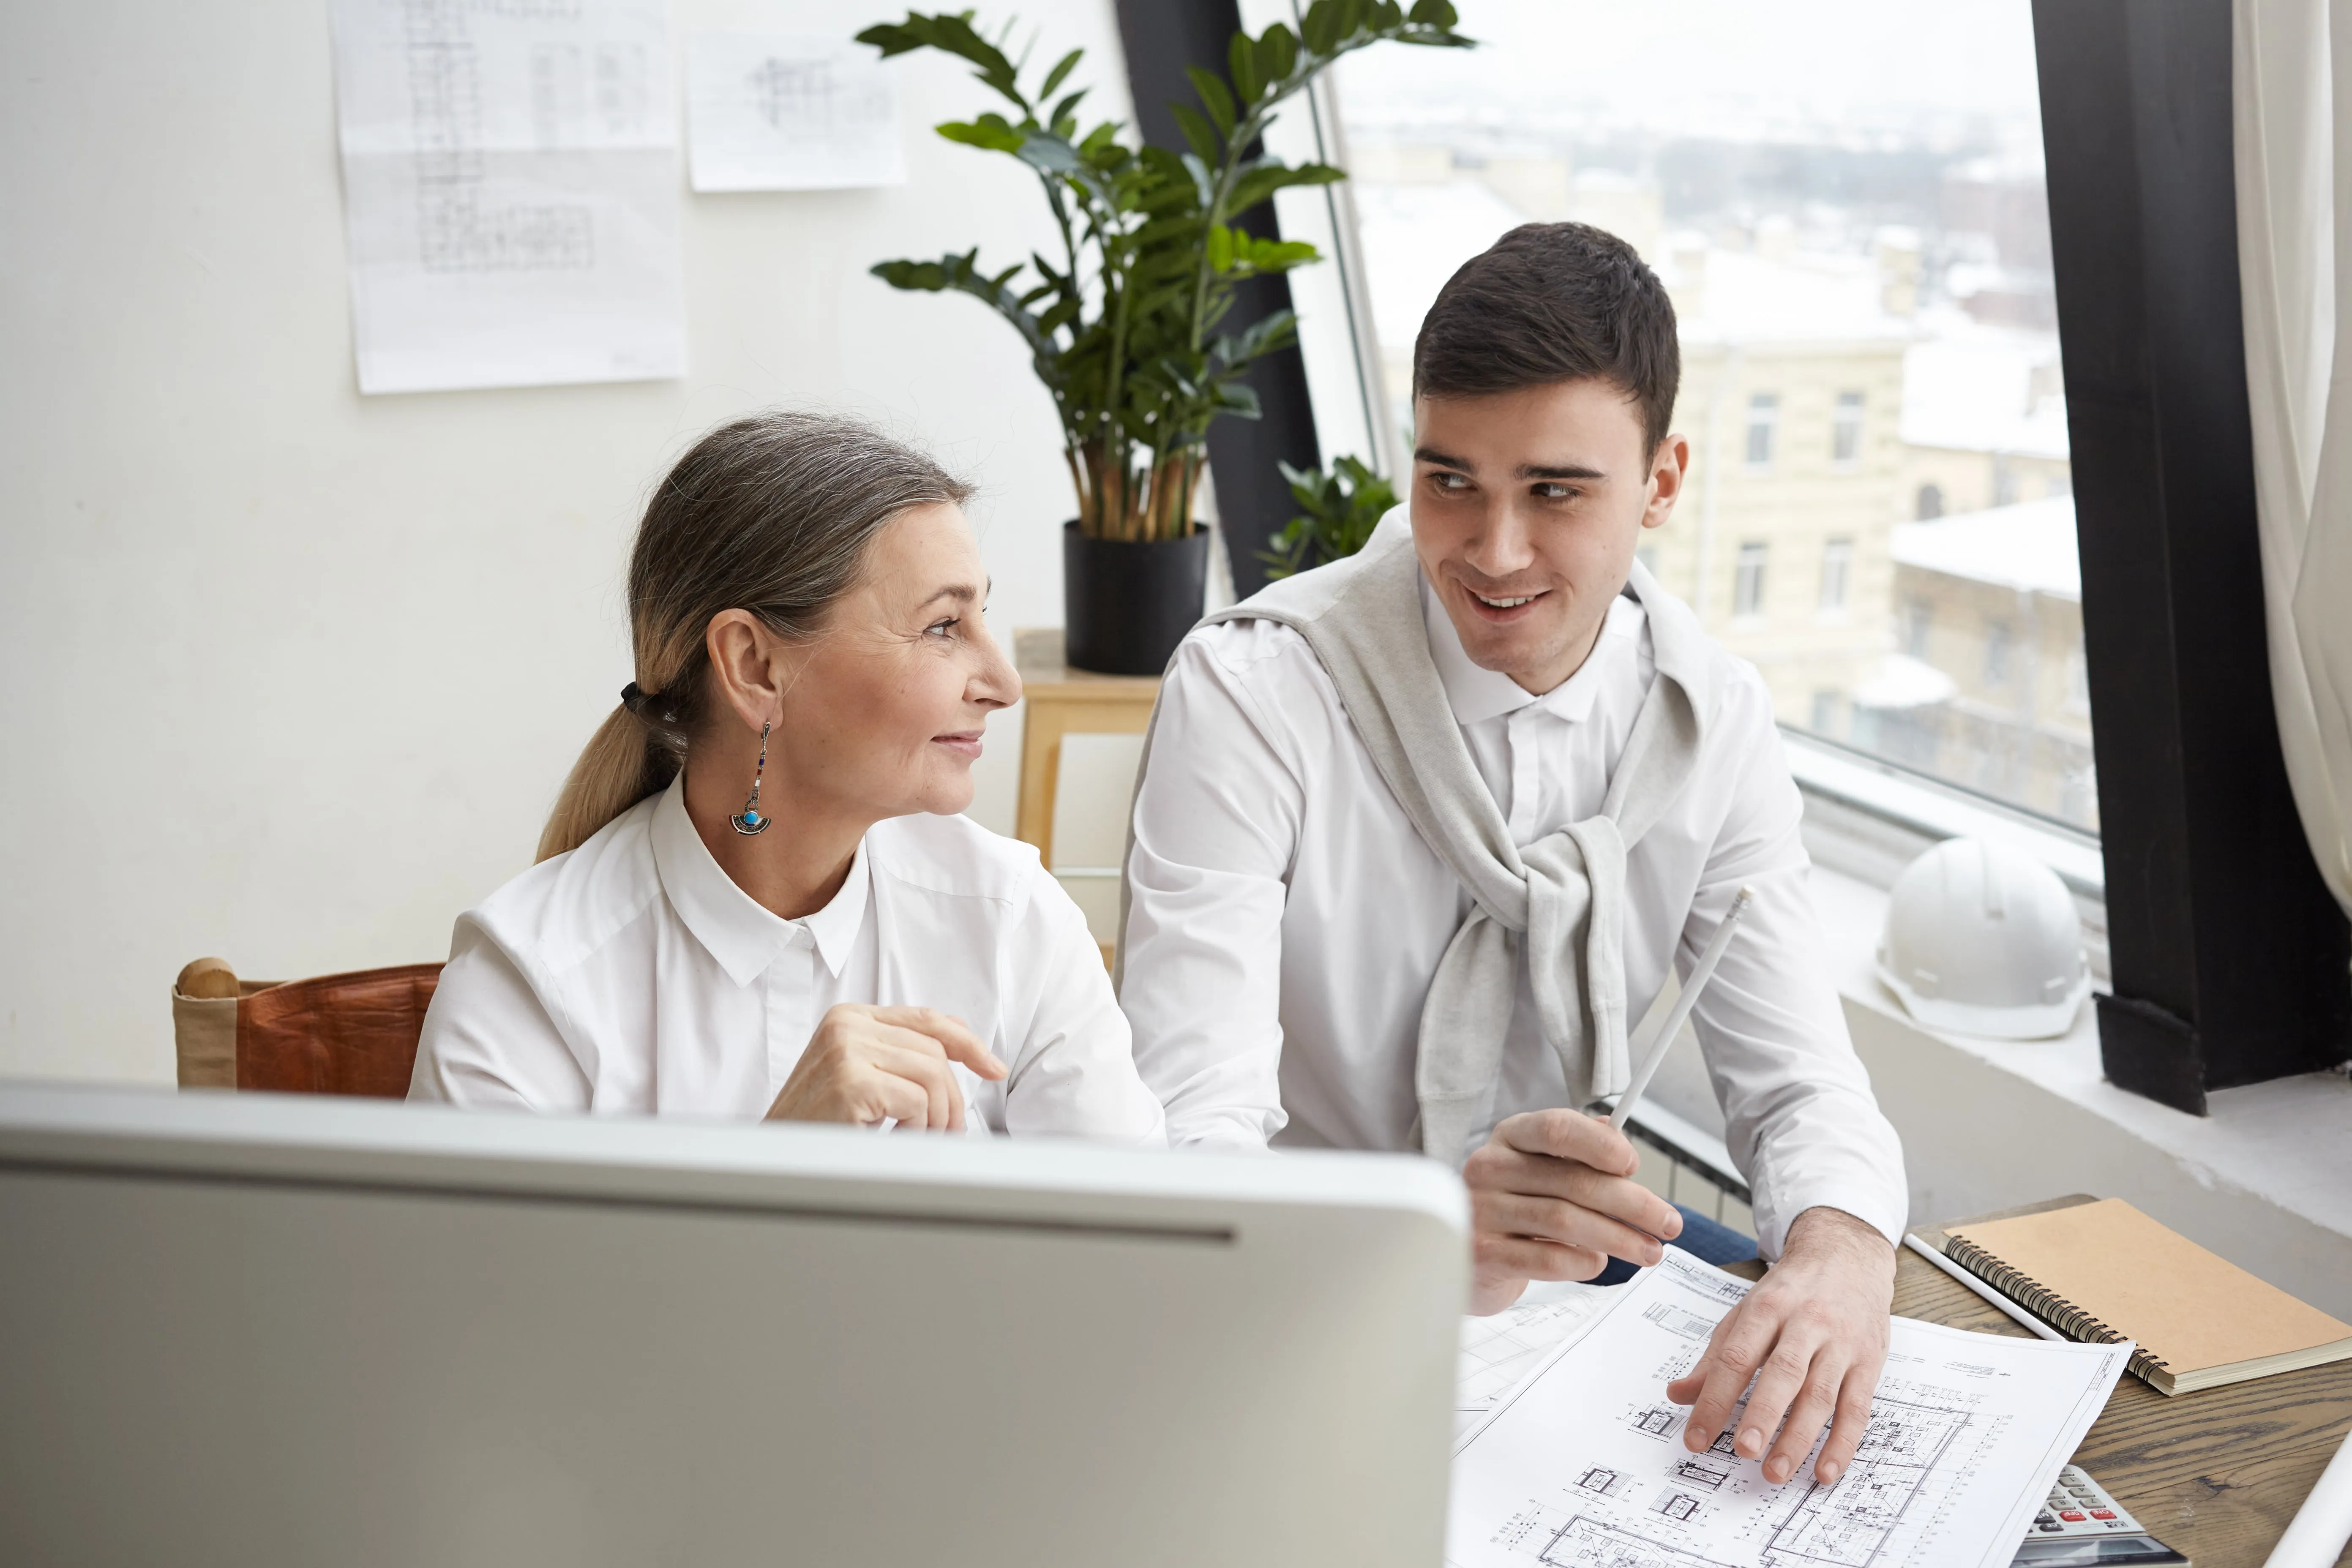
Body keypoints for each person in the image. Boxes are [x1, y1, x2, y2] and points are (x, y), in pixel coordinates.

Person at [1117, 224, 1905, 1486]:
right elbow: (1181, 1135)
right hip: (1300, 1285)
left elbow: (1798, 1081)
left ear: (1660, 481)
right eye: (1448, 481)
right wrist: (1416, 1240)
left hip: (1587, 1291)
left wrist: (1842, 1255)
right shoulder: (1253, 692)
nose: (1488, 551)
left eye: (1553, 490)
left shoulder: (1714, 717)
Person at [412, 411, 1163, 1145]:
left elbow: (1143, 1248)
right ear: (754, 667)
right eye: (942, 626)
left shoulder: (1013, 919)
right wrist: (776, 1160)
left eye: (980, 618)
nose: (1003, 682)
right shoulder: (532, 984)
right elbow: (488, 1278)